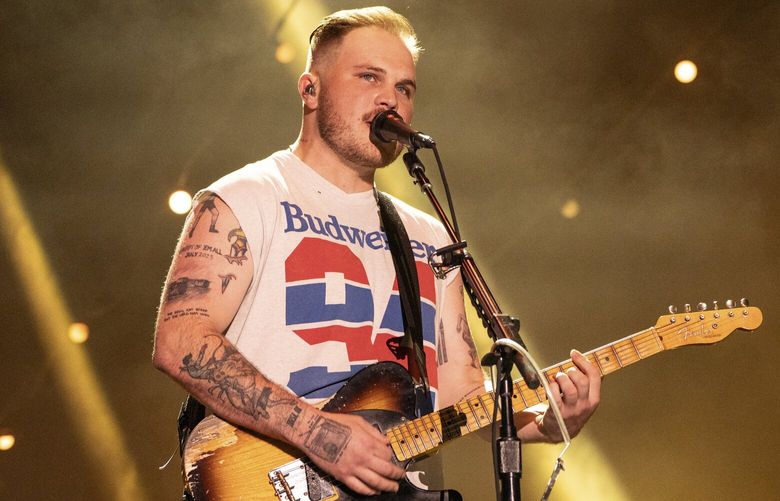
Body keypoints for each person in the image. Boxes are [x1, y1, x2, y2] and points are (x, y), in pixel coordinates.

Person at [152, 6, 601, 497]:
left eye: (404, 88)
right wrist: (319, 434)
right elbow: (181, 341)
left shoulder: (429, 236)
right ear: (310, 89)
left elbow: (460, 398)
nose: (390, 99)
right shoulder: (246, 198)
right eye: (369, 77)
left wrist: (546, 421)